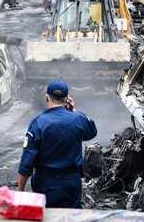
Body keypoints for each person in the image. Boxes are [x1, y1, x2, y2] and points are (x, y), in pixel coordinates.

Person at [17, 79, 97, 208]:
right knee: (71, 217)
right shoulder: (78, 119)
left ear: (46, 97)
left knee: (46, 216)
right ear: (67, 98)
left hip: (45, 183)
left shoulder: (38, 122)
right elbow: (91, 132)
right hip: (71, 182)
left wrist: (20, 189)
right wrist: (73, 110)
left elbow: (27, 160)